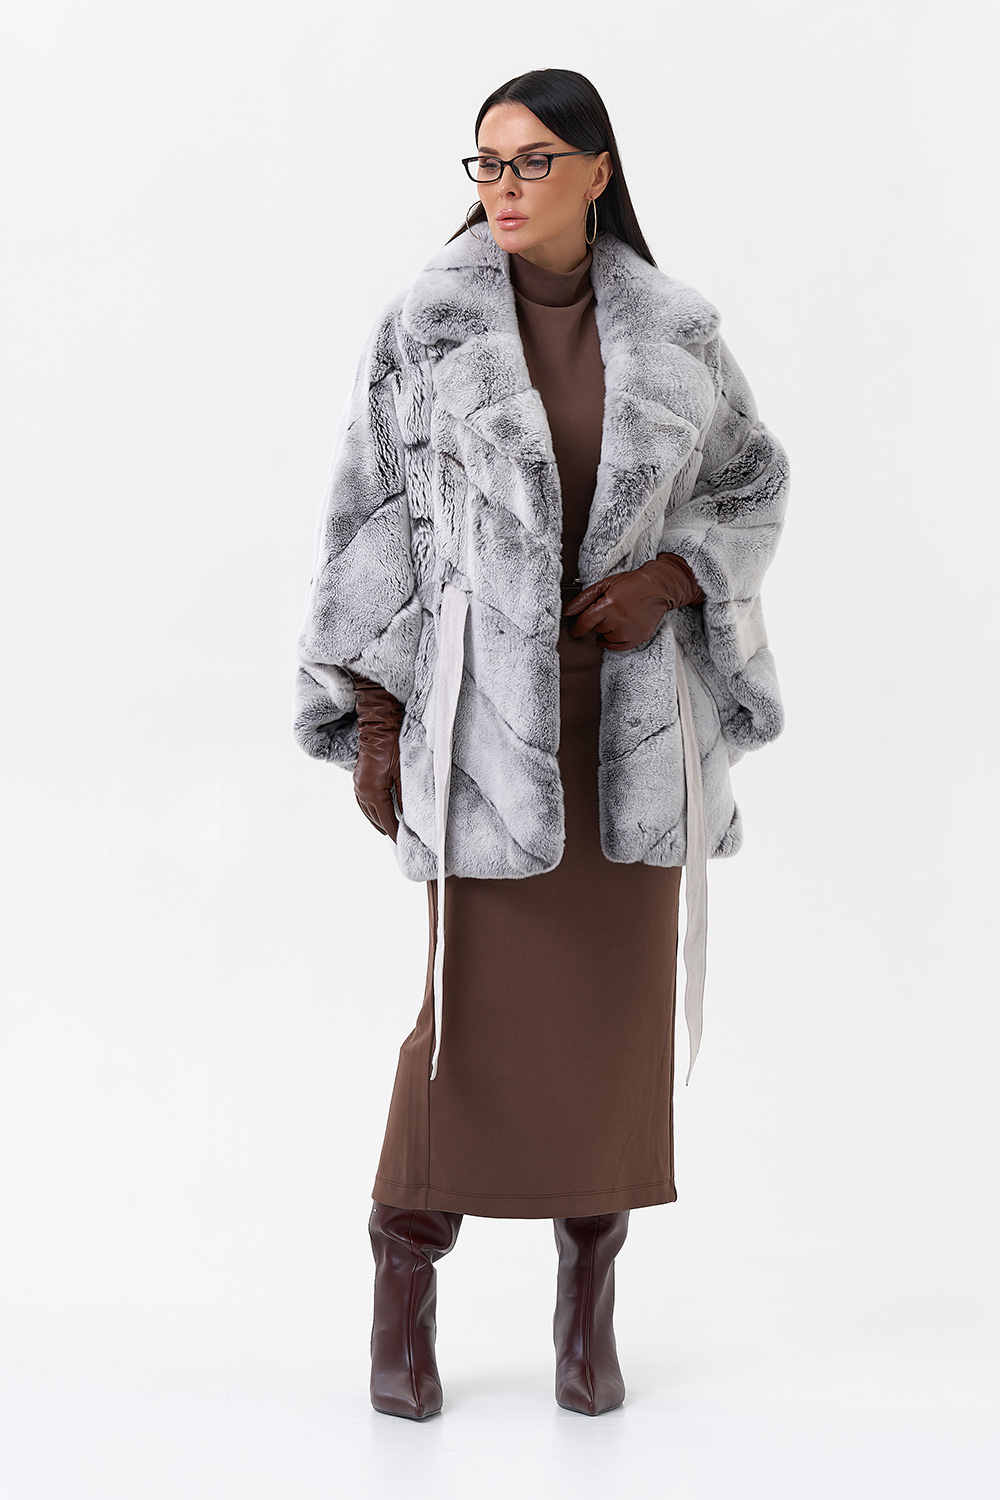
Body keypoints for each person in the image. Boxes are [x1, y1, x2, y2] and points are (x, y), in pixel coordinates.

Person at [294, 67, 789, 1420]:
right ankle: (405, 1287)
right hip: (480, 732)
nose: (502, 187)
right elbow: (369, 521)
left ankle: (588, 1308)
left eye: (530, 161)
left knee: (615, 1032)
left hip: (632, 734)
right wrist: (378, 719)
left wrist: (672, 579)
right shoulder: (426, 328)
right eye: (486, 164)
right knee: (461, 1028)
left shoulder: (678, 332)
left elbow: (753, 484)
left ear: (597, 171)